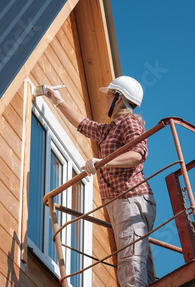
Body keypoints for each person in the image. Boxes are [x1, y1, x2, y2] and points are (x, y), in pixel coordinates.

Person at [45, 76, 156, 287]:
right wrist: (57, 100)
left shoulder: (129, 122)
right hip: (122, 202)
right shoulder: (109, 129)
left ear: (119, 99)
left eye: (108, 96)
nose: (104, 101)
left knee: (130, 262)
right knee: (137, 263)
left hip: (131, 199)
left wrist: (103, 162)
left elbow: (138, 154)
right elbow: (84, 125)